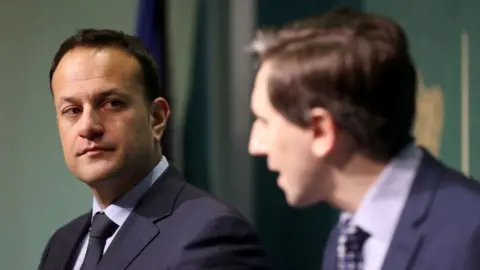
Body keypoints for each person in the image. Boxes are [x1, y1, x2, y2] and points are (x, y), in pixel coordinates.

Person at [247, 7, 480, 270]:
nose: (255, 145)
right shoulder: (347, 238)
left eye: (265, 122)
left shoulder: (470, 235)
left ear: (321, 131)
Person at [38, 28, 268, 270]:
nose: (88, 126)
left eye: (111, 104)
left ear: (157, 118)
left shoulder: (213, 235)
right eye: (72, 110)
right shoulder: (61, 245)